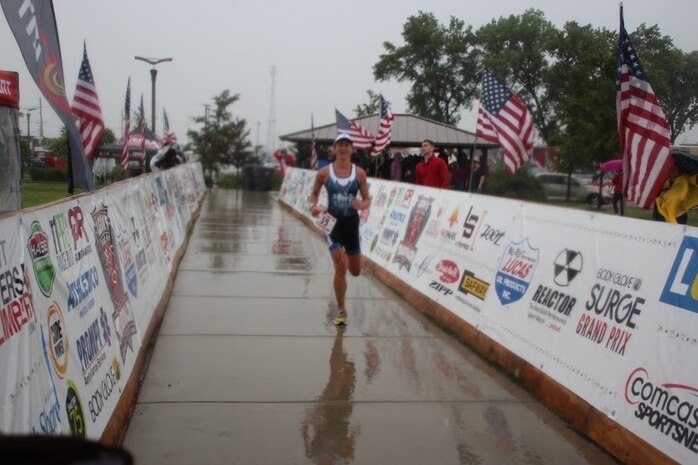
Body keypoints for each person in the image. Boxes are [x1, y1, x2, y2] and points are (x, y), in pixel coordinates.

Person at [309, 133, 371, 325]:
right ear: (334, 149)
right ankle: (342, 310)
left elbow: (367, 199)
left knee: (355, 271)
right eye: (340, 145)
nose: (343, 148)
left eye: (347, 145)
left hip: (351, 225)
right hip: (332, 224)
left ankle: (348, 261)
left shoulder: (359, 173)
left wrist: (362, 205)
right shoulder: (324, 173)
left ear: (352, 149)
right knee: (340, 267)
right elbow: (313, 195)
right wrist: (315, 207)